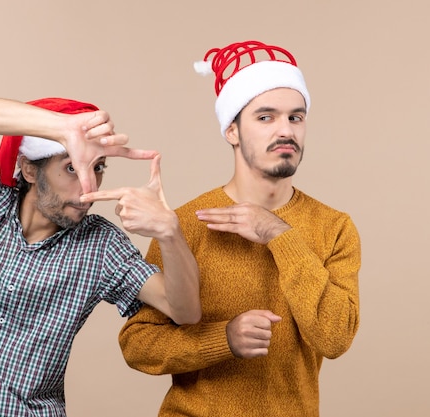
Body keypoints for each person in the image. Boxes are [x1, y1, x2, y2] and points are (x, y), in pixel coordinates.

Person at [100, 40, 361, 417]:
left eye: (296, 117)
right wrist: (223, 339)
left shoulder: (334, 228)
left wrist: (278, 235)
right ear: (232, 131)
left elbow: (335, 338)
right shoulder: (188, 223)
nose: (285, 130)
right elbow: (139, 344)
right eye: (266, 117)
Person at [0, 95, 201, 417]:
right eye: (71, 167)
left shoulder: (100, 245)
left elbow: (184, 311)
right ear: (30, 169)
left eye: (97, 168)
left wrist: (169, 232)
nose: (88, 186)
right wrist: (65, 128)